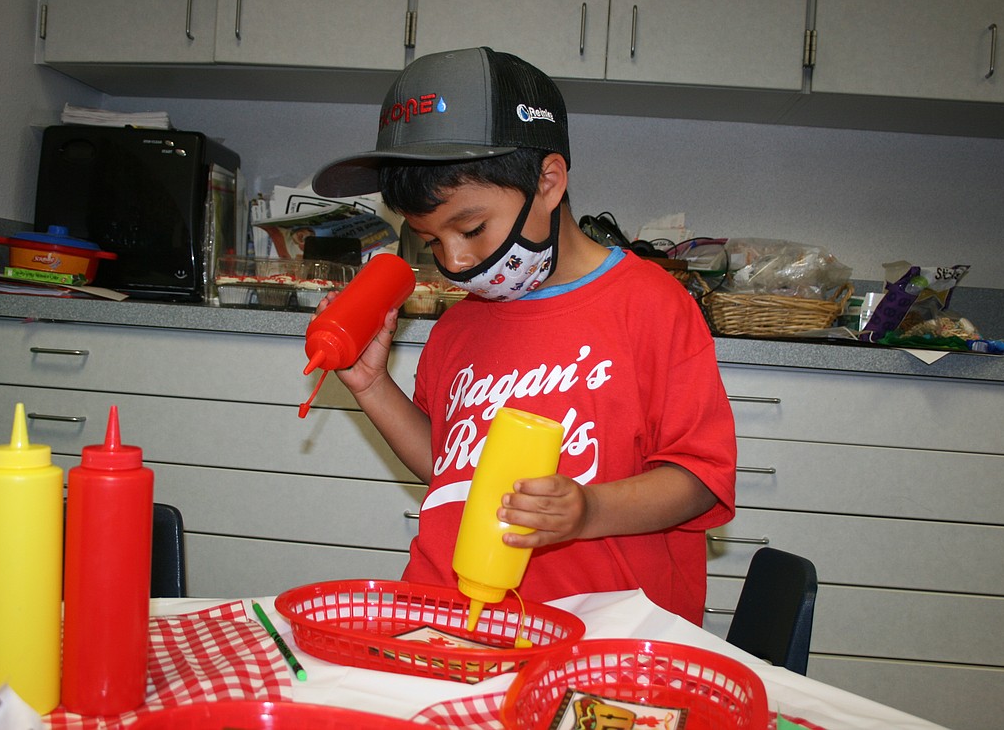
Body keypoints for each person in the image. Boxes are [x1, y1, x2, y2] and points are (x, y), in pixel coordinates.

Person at [310, 47, 735, 623]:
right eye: (430, 241)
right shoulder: (460, 323)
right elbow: (450, 467)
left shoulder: (652, 306)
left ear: (548, 182)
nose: (455, 262)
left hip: (603, 631)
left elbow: (701, 479)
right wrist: (372, 386)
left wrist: (588, 510)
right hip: (457, 619)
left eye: (471, 228)